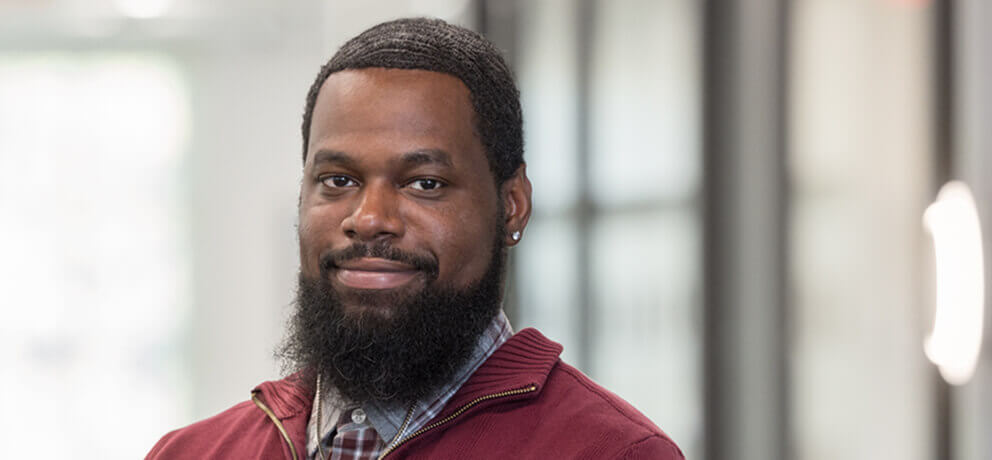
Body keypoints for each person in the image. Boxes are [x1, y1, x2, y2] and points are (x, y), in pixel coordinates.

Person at [146, 17, 683, 460]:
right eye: (338, 181)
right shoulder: (191, 453)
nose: (369, 217)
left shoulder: (613, 453)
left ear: (512, 205)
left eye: (425, 183)